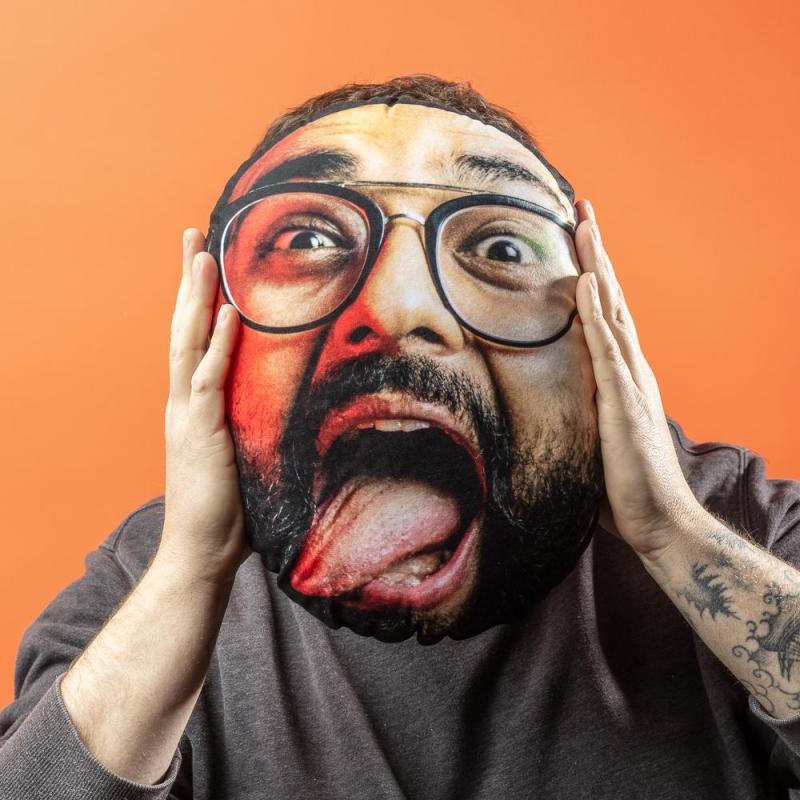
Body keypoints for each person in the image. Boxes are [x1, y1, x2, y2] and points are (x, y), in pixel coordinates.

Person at [1, 74, 799, 800]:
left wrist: (669, 530)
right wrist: (192, 570)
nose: (399, 308)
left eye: (501, 248)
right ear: (210, 327)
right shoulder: (149, 581)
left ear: (599, 327)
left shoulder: (743, 525)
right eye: (308, 239)